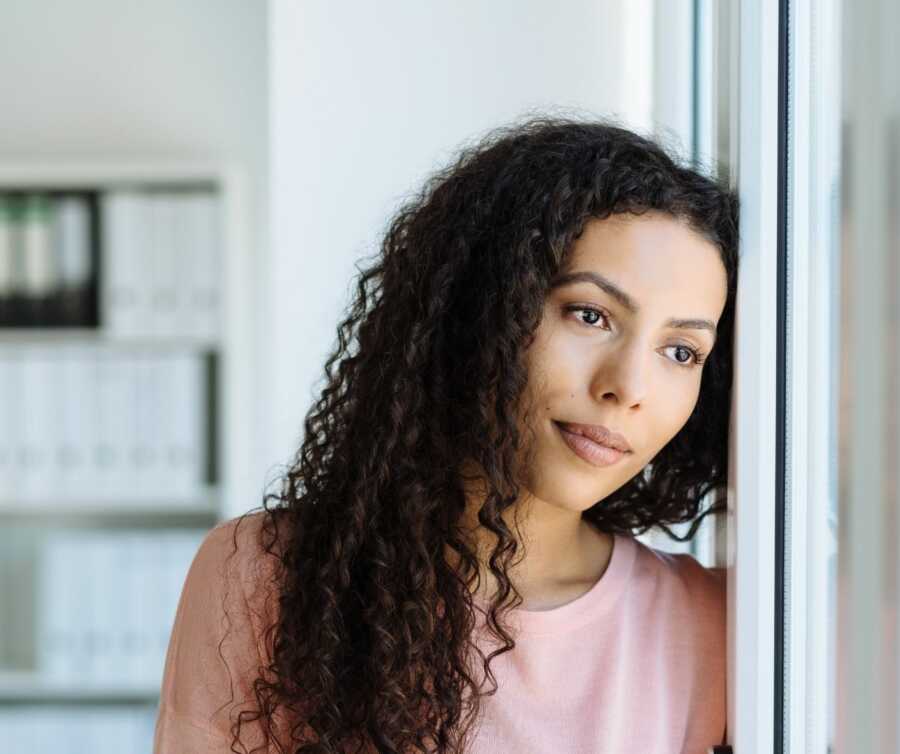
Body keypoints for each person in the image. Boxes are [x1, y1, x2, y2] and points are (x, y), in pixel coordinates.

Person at [153, 115, 739, 754]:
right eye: (590, 315)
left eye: (681, 351)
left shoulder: (714, 627)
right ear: (480, 308)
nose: (628, 386)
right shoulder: (264, 575)